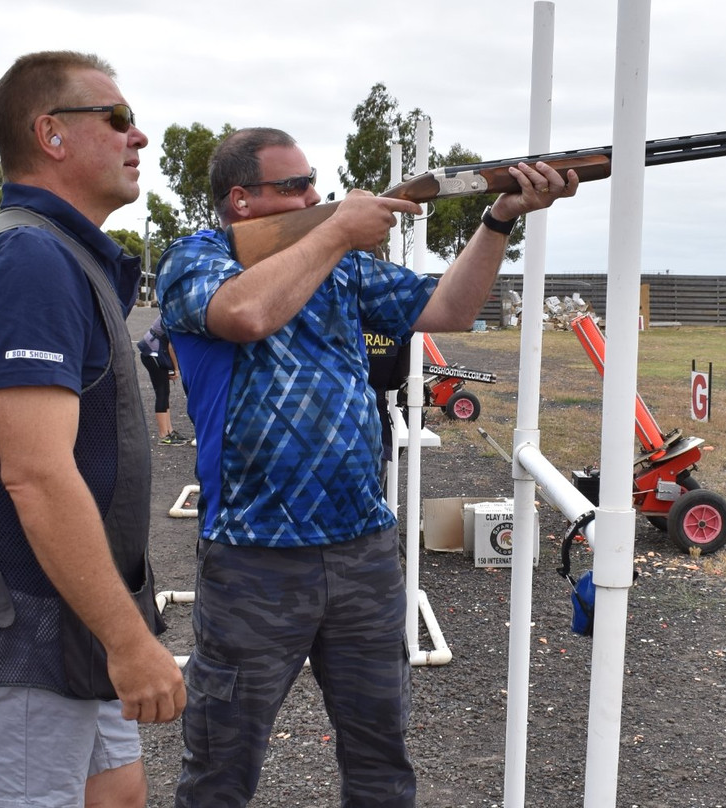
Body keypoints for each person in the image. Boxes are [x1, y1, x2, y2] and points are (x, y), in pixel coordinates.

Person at [156, 126, 577, 807]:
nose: (316, 196)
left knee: (381, 761)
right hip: (253, 559)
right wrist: (338, 231)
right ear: (240, 200)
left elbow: (451, 308)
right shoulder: (196, 259)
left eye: (314, 182)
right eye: (294, 187)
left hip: (364, 554)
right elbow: (245, 313)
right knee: (220, 768)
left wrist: (498, 217)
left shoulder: (342, 267)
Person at [0, 51, 185, 807]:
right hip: (37, 614)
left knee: (118, 794)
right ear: (52, 135)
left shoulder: (59, 251)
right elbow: (35, 474)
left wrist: (117, 627)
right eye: (118, 119)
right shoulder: (28, 258)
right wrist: (132, 642)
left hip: (82, 606)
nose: (139, 137)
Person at [137, 313, 187, 445]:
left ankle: (169, 430)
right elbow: (171, 346)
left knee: (165, 392)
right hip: (152, 353)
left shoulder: (172, 310)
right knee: (161, 392)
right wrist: (175, 368)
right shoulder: (174, 316)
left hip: (157, 352)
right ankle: (163, 434)